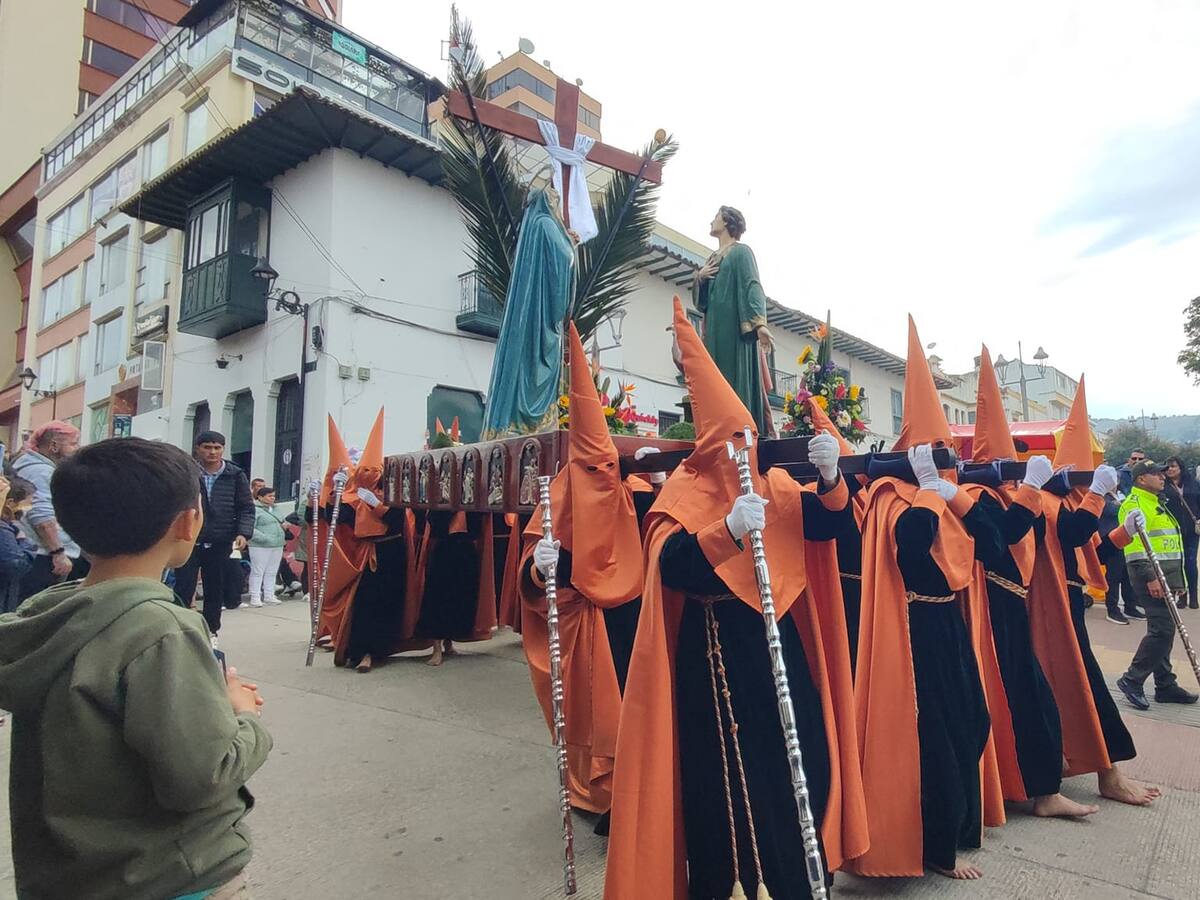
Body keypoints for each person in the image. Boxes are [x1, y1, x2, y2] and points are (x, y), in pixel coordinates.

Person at [605, 299, 868, 900]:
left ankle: (801, 877)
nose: (743, 449)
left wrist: (831, 482)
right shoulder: (685, 490)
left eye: (748, 436)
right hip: (714, 662)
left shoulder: (774, 484)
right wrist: (723, 531)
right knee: (724, 782)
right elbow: (669, 566)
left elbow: (831, 533)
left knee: (803, 762)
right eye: (733, 439)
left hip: (779, 657)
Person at [0, 437, 272, 899]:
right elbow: (202, 776)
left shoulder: (44, 616)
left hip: (68, 878)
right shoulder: (161, 630)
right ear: (189, 521)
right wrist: (245, 717)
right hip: (166, 877)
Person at [851, 318, 997, 881]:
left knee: (972, 720)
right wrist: (926, 500)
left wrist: (951, 496)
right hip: (912, 628)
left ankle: (960, 825)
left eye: (945, 447)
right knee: (929, 736)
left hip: (949, 625)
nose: (940, 455)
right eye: (932, 447)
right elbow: (909, 554)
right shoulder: (891, 495)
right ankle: (936, 848)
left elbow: (992, 543)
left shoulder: (941, 492)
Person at [962, 347, 1097, 820]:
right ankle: (1041, 791)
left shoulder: (1009, 493)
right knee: (1024, 695)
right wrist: (1029, 492)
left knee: (1029, 696)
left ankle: (1035, 785)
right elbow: (998, 542)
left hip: (1015, 605)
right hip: (992, 609)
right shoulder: (975, 495)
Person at [520, 323, 646, 818]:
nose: (600, 477)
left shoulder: (627, 491)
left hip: (626, 620)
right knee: (585, 715)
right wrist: (538, 566)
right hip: (581, 624)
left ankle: (630, 789)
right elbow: (530, 571)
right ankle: (592, 790)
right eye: (590, 469)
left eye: (606, 467)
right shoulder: (557, 495)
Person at [1028, 378, 1160, 806]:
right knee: (1080, 685)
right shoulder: (1050, 500)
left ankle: (1093, 765)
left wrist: (1122, 532)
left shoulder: (1075, 500)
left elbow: (1091, 551)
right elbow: (1069, 536)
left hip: (1070, 602)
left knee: (1081, 685)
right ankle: (1106, 771)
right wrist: (1098, 497)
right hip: (1049, 607)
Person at [480, 186, 578, 439]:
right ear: (547, 202)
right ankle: (531, 424)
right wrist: (571, 243)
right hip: (542, 315)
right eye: (555, 200)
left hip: (533, 311)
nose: (558, 206)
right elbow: (563, 258)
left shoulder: (532, 227)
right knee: (538, 360)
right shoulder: (546, 225)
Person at [1115, 460, 1199, 708]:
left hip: (1166, 575)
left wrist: (1177, 580)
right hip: (1150, 576)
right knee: (1161, 631)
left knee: (1165, 630)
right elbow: (1135, 547)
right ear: (1141, 479)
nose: (1163, 477)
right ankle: (1132, 679)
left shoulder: (1157, 503)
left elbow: (1168, 545)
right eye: (1156, 473)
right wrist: (1150, 576)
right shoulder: (1135, 504)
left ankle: (1165, 684)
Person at [692, 206, 775, 436]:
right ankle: (715, 428)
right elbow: (702, 303)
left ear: (728, 222)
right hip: (714, 329)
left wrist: (760, 324)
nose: (711, 221)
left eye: (716, 217)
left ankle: (739, 429)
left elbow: (752, 285)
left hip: (733, 330)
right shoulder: (712, 258)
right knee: (714, 378)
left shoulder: (741, 252)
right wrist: (699, 278)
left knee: (732, 378)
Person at [172, 431, 255, 644]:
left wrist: (243, 533)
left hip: (222, 539)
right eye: (207, 447)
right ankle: (179, 630)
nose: (212, 452)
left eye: (217, 448)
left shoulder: (235, 475)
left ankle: (211, 631)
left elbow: (246, 507)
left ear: (223, 449)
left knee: (215, 587)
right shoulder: (187, 472)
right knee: (184, 586)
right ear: (198, 448)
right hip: (189, 538)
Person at [12, 420, 88, 600]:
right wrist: (58, 552)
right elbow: (42, 517)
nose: (77, 448)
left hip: (37, 553)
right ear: (53, 445)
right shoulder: (41, 472)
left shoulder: (33, 468)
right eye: (73, 443)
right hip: (42, 556)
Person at [1161, 455, 1199, 609]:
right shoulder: (1163, 486)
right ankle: (1181, 596)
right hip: (1172, 530)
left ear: (1180, 468)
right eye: (1167, 467)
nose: (1170, 470)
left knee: (1190, 562)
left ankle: (1194, 596)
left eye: (1173, 466)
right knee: (1177, 564)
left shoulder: (1194, 484)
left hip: (1191, 530)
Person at [0, 474, 37, 614]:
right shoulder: (4, 530)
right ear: (10, 503)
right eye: (28, 503)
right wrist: (24, 542)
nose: (30, 507)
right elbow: (15, 565)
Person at [248, 486, 287, 608]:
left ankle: (269, 594)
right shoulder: (254, 510)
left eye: (273, 496)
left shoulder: (276, 509)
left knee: (272, 571)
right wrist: (264, 537)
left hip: (277, 543)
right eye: (269, 496)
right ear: (260, 497)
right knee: (258, 571)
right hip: (260, 545)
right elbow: (251, 528)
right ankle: (255, 596)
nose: (272, 498)